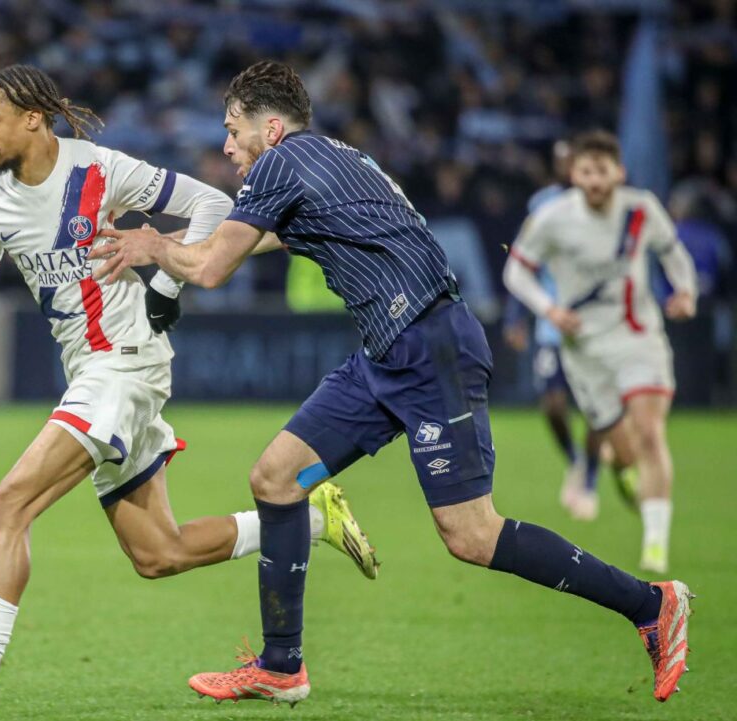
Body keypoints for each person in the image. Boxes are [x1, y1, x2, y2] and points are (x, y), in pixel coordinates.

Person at [92, 61, 692, 707]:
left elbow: (210, 269)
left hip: (430, 347)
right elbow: (244, 243)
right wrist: (154, 242)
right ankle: (281, 665)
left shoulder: (283, 162)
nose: (228, 146)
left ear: (271, 127)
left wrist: (154, 246)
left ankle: (650, 603)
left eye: (234, 130)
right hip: (390, 349)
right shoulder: (331, 160)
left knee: (471, 534)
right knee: (276, 476)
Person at [0, 64, 378, 721]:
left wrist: (164, 286)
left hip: (122, 367)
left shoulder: (99, 169)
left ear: (33, 118)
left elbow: (211, 203)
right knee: (159, 552)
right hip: (94, 374)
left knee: (7, 505)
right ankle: (310, 519)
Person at [504, 130, 697, 574]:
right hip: (583, 348)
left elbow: (674, 253)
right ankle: (617, 471)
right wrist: (548, 310)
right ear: (574, 173)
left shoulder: (640, 208)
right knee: (618, 443)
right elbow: (517, 271)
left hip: (637, 336)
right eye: (586, 171)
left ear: (619, 172)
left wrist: (686, 292)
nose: (594, 180)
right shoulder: (552, 217)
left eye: (602, 171)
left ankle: (654, 546)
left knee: (650, 431)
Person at [502, 139, 638, 520]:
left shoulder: (608, 204)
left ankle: (591, 480)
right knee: (553, 405)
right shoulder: (542, 204)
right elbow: (523, 258)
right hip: (552, 322)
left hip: (595, 324)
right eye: (560, 160)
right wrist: (516, 316)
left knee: (596, 409)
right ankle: (576, 460)